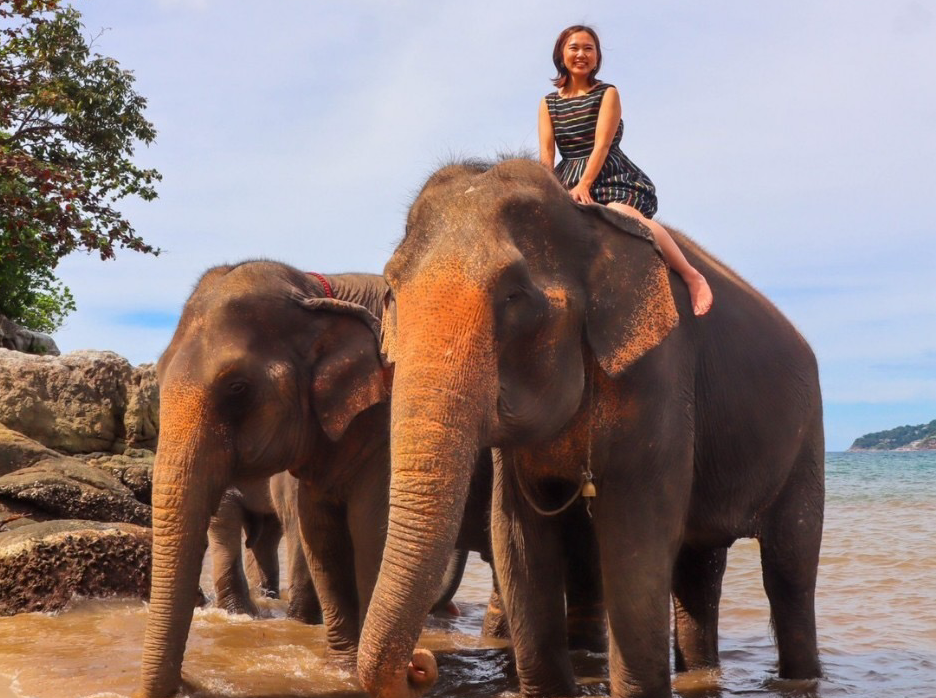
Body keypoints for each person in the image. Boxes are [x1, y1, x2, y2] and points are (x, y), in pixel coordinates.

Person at [539, 25, 713, 315]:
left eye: (588, 48)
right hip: (566, 177)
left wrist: (584, 185)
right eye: (574, 48)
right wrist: (547, 192)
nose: (581, 54)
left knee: (623, 214)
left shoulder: (607, 93)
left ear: (596, 58)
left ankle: (691, 275)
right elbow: (546, 154)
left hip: (609, 175)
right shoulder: (549, 103)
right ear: (561, 54)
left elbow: (601, 146)